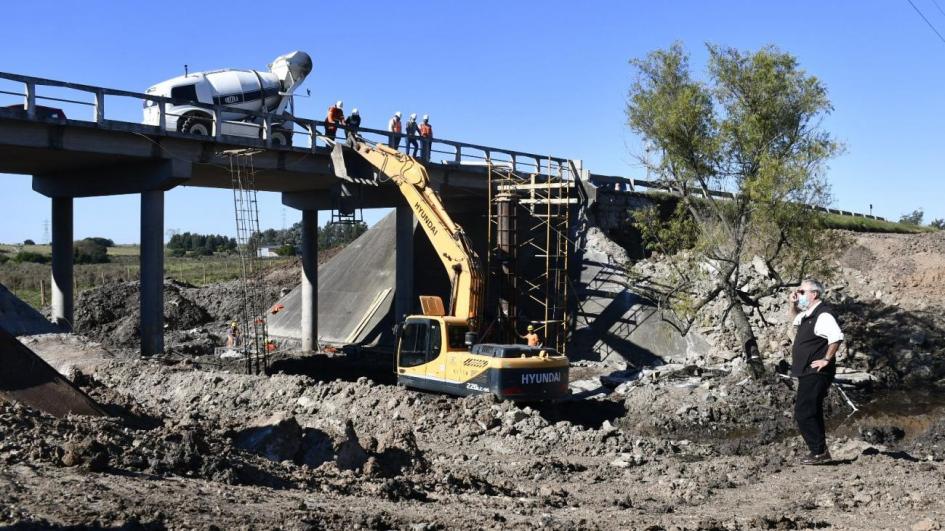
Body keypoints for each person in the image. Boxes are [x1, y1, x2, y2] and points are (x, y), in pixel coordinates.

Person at [788, 278, 844, 465]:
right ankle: (820, 451)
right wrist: (793, 304)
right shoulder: (808, 315)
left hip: (817, 371)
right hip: (807, 372)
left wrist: (826, 359)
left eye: (802, 292)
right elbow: (793, 319)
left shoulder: (823, 315)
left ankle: (819, 452)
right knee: (812, 411)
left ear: (814, 294)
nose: (799, 294)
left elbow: (836, 337)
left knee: (803, 412)